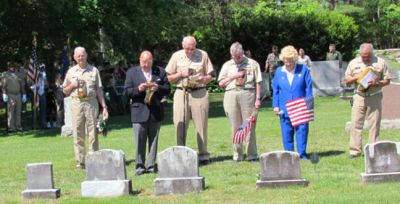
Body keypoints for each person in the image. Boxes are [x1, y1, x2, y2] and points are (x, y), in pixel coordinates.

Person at [166, 36, 214, 164]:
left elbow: (211, 75)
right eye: (188, 48)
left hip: (199, 92)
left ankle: (203, 154)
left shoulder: (203, 55)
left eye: (192, 48)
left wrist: (204, 79)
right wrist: (181, 74)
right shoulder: (176, 56)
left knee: (201, 125)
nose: (190, 51)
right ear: (182, 45)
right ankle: (181, 153)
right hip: (181, 93)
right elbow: (169, 78)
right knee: (180, 123)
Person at [124, 51, 170, 175]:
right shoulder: (131, 73)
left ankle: (151, 165)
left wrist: (158, 88)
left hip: (155, 111)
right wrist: (138, 89)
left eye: (148, 62)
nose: (146, 65)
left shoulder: (160, 71)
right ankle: (139, 165)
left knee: (154, 140)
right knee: (140, 140)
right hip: (139, 111)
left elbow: (168, 89)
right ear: (139, 60)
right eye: (143, 62)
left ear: (152, 60)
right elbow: (127, 92)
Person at [63, 47, 108, 169]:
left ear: (86, 55)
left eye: (82, 55)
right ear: (74, 57)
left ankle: (93, 157)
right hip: (77, 103)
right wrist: (73, 84)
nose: (80, 58)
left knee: (93, 131)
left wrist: (104, 106)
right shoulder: (71, 71)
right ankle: (80, 162)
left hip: (91, 102)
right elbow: (64, 90)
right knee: (78, 132)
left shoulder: (94, 70)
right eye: (78, 56)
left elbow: (99, 89)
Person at [344, 43, 390, 159]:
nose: (366, 59)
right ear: (360, 54)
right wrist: (357, 78)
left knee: (374, 124)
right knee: (356, 123)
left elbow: (387, 80)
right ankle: (355, 151)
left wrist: (377, 82)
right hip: (359, 96)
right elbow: (347, 80)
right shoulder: (353, 63)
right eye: (363, 56)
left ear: (372, 53)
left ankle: (373, 150)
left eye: (368, 56)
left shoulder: (380, 62)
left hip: (374, 95)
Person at [218, 42, 262, 162]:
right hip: (231, 94)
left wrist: (258, 98)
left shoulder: (253, 64)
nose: (236, 59)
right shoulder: (227, 65)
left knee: (249, 125)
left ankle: (251, 154)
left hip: (248, 94)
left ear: (243, 53)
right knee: (235, 126)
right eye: (234, 57)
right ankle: (238, 154)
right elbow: (221, 84)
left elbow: (258, 82)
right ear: (231, 54)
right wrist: (233, 76)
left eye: (239, 56)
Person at [272, 45, 313, 160]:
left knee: (302, 132)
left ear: (295, 59)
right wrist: (275, 106)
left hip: (301, 107)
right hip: (284, 108)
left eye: (290, 61)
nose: (288, 64)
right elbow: (275, 90)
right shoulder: (279, 72)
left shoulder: (303, 69)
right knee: (286, 133)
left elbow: (308, 88)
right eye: (286, 61)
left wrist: (309, 106)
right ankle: (290, 156)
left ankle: (302, 154)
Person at [2, 62, 27, 132]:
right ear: (8, 67)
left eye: (13, 66)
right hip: (10, 94)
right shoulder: (5, 74)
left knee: (18, 110)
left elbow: (22, 85)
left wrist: (24, 94)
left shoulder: (18, 74)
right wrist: (4, 94)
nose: (12, 67)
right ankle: (11, 127)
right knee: (11, 111)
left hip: (18, 94)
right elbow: (3, 86)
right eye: (10, 66)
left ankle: (18, 126)